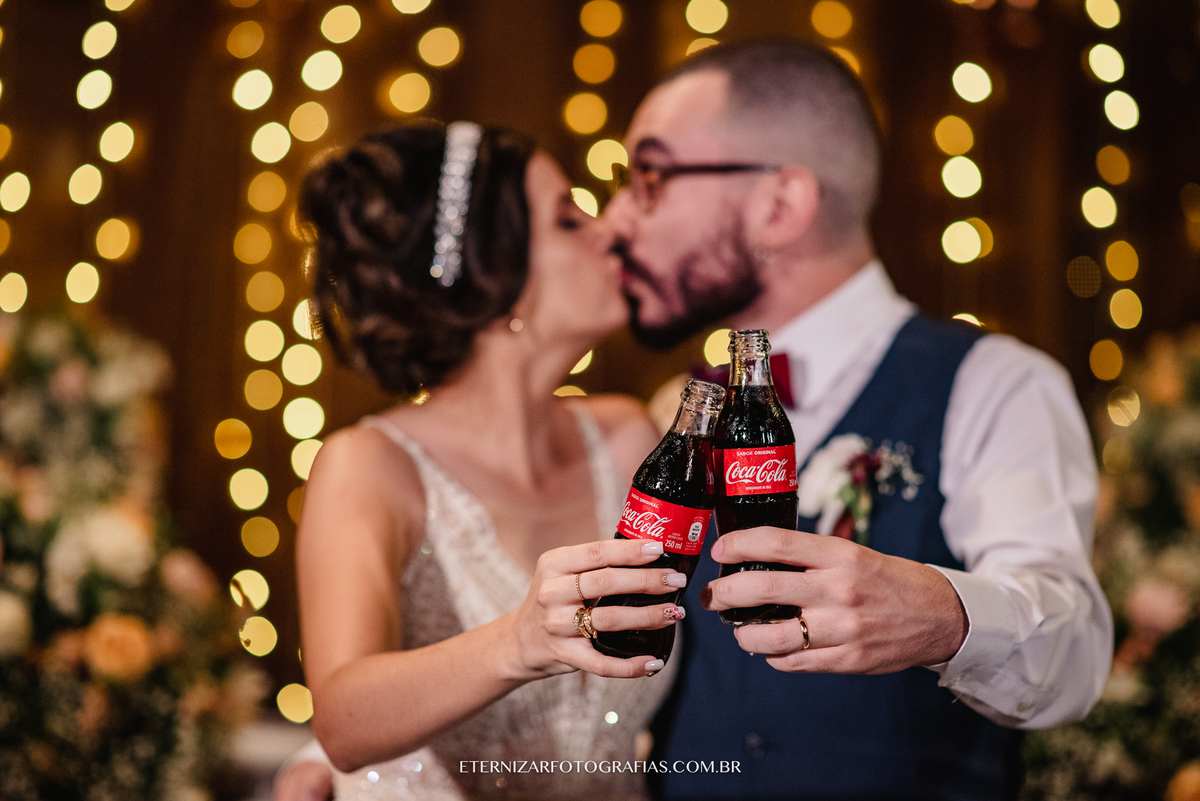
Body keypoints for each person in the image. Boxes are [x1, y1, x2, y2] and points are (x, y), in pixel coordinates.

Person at [602, 38, 1113, 799]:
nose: (615, 219)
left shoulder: (995, 383)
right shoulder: (672, 411)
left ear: (780, 205)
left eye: (649, 177)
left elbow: (1074, 655)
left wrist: (944, 614)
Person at [290, 120, 685, 800]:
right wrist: (519, 640)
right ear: (494, 278)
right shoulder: (370, 466)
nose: (607, 231)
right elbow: (343, 722)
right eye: (567, 219)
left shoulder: (627, 438)